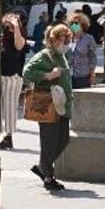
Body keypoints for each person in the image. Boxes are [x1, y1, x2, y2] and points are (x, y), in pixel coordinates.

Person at [25, 24, 75, 192]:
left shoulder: (61, 56)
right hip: (48, 106)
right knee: (50, 141)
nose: (65, 43)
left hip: (62, 106)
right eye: (62, 40)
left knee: (63, 139)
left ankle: (42, 167)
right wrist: (48, 75)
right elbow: (27, 72)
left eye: (67, 40)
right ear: (53, 40)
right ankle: (48, 176)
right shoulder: (44, 56)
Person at [0, 13, 28, 150]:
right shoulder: (1, 37)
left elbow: (19, 45)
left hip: (12, 76)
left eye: (9, 26)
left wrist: (16, 26)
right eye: (6, 25)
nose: (7, 28)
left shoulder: (20, 37)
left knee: (10, 106)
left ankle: (8, 136)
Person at [67, 13, 99, 89]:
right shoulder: (67, 39)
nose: (74, 25)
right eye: (72, 23)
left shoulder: (89, 38)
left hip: (83, 75)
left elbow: (93, 58)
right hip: (68, 75)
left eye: (76, 23)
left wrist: (92, 74)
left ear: (82, 25)